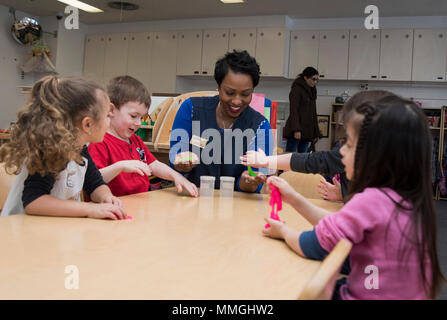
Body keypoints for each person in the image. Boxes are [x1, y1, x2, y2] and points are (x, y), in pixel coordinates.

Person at [262, 95, 445, 299]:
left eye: (348, 143)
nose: (341, 151)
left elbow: (310, 245)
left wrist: (283, 231)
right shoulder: (407, 200)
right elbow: (338, 226)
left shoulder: (371, 201)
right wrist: (294, 198)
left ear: (374, 155)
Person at [0, 76, 127, 220]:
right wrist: (90, 208)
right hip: (22, 230)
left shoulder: (80, 147)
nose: (109, 121)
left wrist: (106, 197)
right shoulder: (50, 150)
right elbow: (34, 202)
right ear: (87, 125)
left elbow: (95, 183)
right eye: (106, 116)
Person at [242, 90, 395, 202]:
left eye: (349, 141)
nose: (341, 150)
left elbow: (313, 161)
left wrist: (267, 161)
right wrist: (345, 196)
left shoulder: (381, 201)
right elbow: (311, 161)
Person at [170, 50, 273, 193]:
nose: (237, 101)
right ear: (218, 87)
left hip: (236, 205)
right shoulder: (192, 109)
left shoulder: (260, 126)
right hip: (192, 198)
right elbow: (176, 155)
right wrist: (181, 163)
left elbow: (254, 180)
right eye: (229, 93)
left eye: (245, 94)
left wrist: (248, 182)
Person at [88, 76, 198, 197]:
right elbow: (92, 179)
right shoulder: (99, 142)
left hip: (140, 203)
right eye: (133, 116)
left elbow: (154, 165)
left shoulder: (135, 140)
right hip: (115, 206)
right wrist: (119, 167)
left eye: (142, 117)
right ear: (111, 110)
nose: (139, 123)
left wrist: (176, 176)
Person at [283, 67, 321, 153]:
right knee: (290, 157)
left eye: (317, 80)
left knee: (303, 158)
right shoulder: (296, 89)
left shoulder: (312, 90)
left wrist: (316, 132)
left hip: (307, 131)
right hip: (296, 130)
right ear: (305, 77)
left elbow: (313, 112)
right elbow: (294, 110)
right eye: (313, 79)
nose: (315, 82)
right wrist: (296, 129)